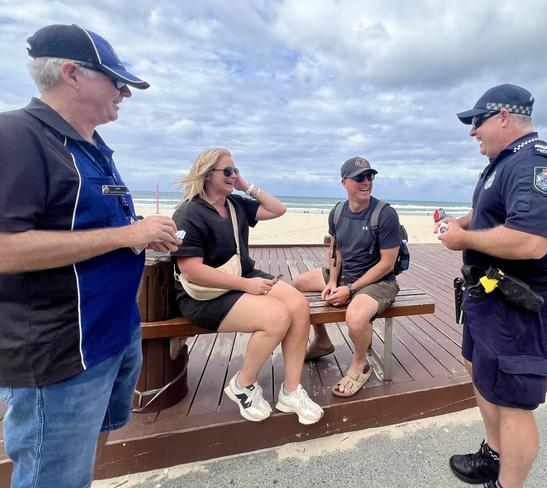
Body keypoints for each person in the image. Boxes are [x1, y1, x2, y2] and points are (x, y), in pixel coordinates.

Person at [0, 24, 181, 488]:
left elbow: (93, 226)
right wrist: (125, 236)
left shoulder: (95, 148)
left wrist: (139, 235)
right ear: (71, 74)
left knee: (86, 462)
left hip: (115, 335)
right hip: (62, 352)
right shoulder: (18, 136)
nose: (125, 92)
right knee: (53, 476)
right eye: (115, 80)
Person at [438, 84, 547, 488]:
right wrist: (464, 223)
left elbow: (532, 240)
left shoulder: (535, 164)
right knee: (479, 371)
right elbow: (487, 212)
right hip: (487, 297)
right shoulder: (503, 162)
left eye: (477, 122)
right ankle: (494, 455)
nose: (472, 131)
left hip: (518, 305)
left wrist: (466, 240)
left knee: (513, 404)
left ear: (503, 118)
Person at [171, 148, 323, 425]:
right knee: (277, 316)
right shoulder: (189, 213)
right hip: (204, 294)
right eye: (227, 171)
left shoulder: (236, 204)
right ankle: (243, 384)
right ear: (207, 175)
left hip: (242, 276)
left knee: (298, 304)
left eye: (235, 171)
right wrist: (246, 285)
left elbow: (278, 209)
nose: (233, 176)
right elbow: (191, 271)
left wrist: (245, 186)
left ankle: (291, 390)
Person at [293, 157, 401, 397]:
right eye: (359, 177)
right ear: (344, 183)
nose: (366, 182)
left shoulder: (385, 214)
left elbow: (387, 264)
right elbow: (335, 248)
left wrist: (350, 289)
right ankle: (321, 340)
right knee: (295, 287)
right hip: (345, 276)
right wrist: (332, 281)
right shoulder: (338, 211)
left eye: (369, 177)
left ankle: (360, 364)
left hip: (379, 282)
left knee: (355, 317)